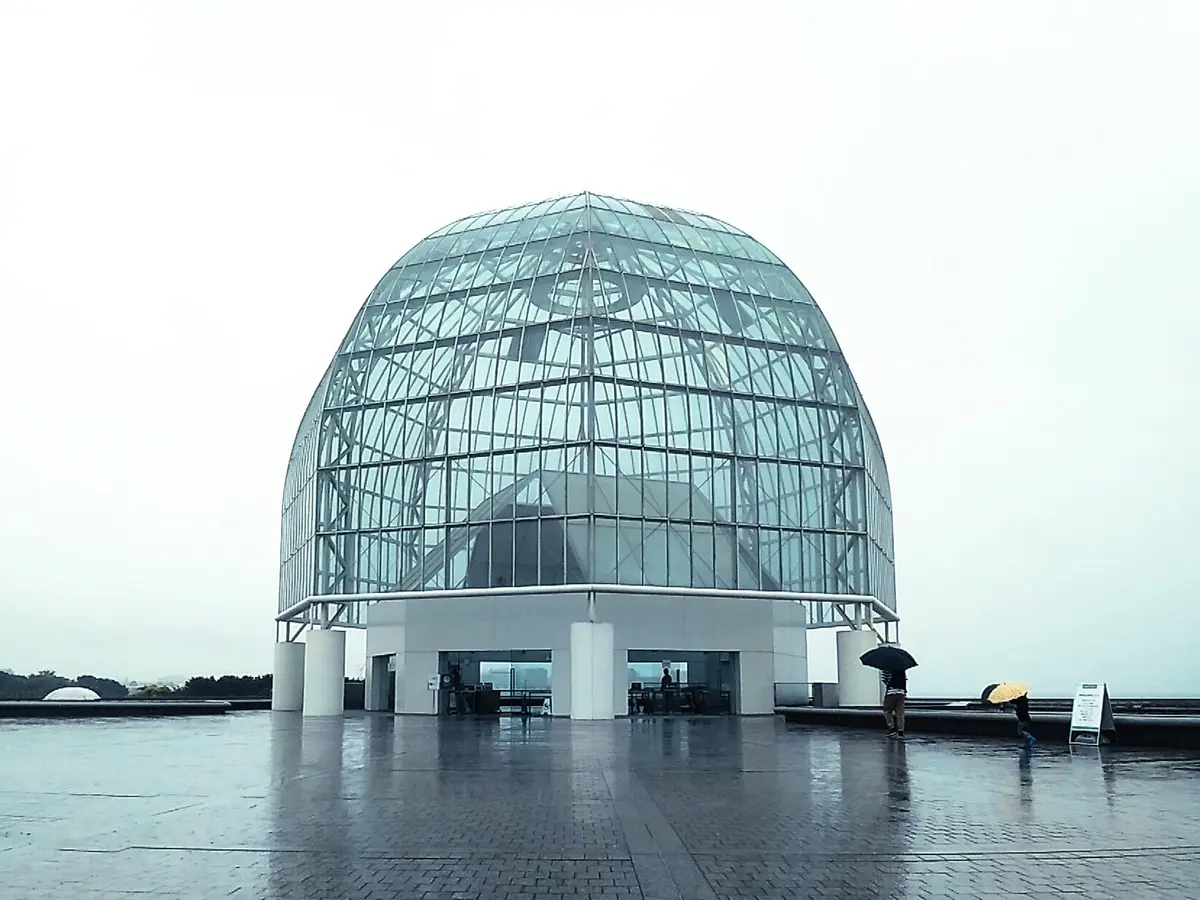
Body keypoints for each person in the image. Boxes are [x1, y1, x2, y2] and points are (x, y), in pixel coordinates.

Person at [881, 668, 907, 739]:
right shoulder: (902, 668)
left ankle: (892, 729)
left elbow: (884, 679)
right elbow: (905, 679)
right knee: (900, 713)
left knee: (887, 711)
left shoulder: (886, 668)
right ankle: (900, 732)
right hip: (901, 693)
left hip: (891, 693)